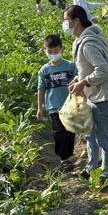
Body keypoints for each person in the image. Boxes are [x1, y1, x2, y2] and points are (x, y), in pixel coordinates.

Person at [65, 5, 108, 179]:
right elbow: (86, 68)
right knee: (89, 134)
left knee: (103, 138)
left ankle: (106, 174)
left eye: (66, 20)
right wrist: (78, 79)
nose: (65, 24)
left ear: (76, 21)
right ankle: (91, 168)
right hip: (91, 95)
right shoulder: (80, 40)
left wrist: (84, 82)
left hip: (102, 96)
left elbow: (104, 70)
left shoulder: (88, 44)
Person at [37, 34, 79, 168]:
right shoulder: (44, 70)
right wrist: (40, 107)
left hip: (70, 104)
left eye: (56, 51)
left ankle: (68, 154)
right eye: (50, 52)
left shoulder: (70, 66)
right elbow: (41, 89)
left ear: (62, 49)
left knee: (70, 131)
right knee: (59, 133)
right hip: (53, 106)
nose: (53, 54)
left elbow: (78, 83)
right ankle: (64, 159)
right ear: (44, 50)